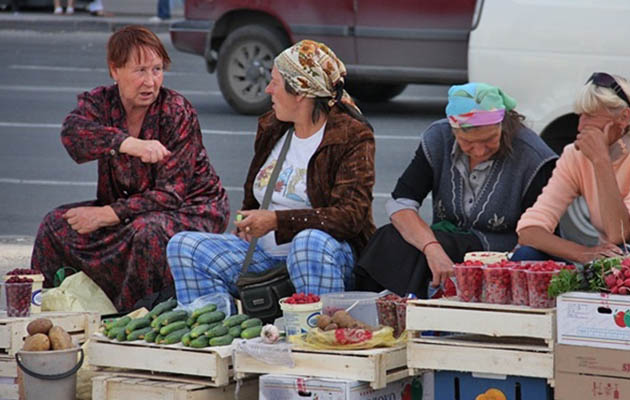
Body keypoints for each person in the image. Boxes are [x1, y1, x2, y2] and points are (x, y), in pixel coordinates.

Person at [30, 26, 229, 312]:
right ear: (115, 70)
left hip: (191, 209)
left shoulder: (176, 111)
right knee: (56, 225)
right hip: (129, 209)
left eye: (157, 69)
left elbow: (170, 195)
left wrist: (107, 215)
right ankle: (45, 311)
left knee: (145, 232)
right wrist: (126, 143)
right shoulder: (101, 102)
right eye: (140, 71)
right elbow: (73, 133)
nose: (150, 82)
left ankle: (134, 319)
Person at [167, 40, 376, 307]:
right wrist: (248, 222)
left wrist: (277, 220)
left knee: (308, 244)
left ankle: (316, 334)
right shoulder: (273, 126)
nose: (268, 89)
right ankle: (220, 333)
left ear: (300, 90)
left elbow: (351, 217)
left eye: (275, 82)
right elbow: (255, 195)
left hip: (323, 257)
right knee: (184, 247)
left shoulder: (351, 136)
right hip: (264, 256)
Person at [355, 83, 557, 298]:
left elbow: (541, 232)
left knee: (424, 255)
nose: (479, 150)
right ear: (453, 131)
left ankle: (416, 312)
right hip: (446, 239)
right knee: (389, 237)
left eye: (489, 140)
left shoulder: (532, 156)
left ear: (503, 125)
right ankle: (370, 309)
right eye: (468, 142)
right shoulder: (438, 137)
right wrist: (431, 248)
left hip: (501, 251)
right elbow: (401, 202)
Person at [514, 73, 630, 264]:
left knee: (619, 257)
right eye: (580, 115)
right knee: (526, 255)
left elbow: (620, 234)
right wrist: (582, 253)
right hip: (609, 254)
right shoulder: (574, 155)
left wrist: (600, 160)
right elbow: (528, 230)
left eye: (590, 116)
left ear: (623, 117)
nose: (580, 126)